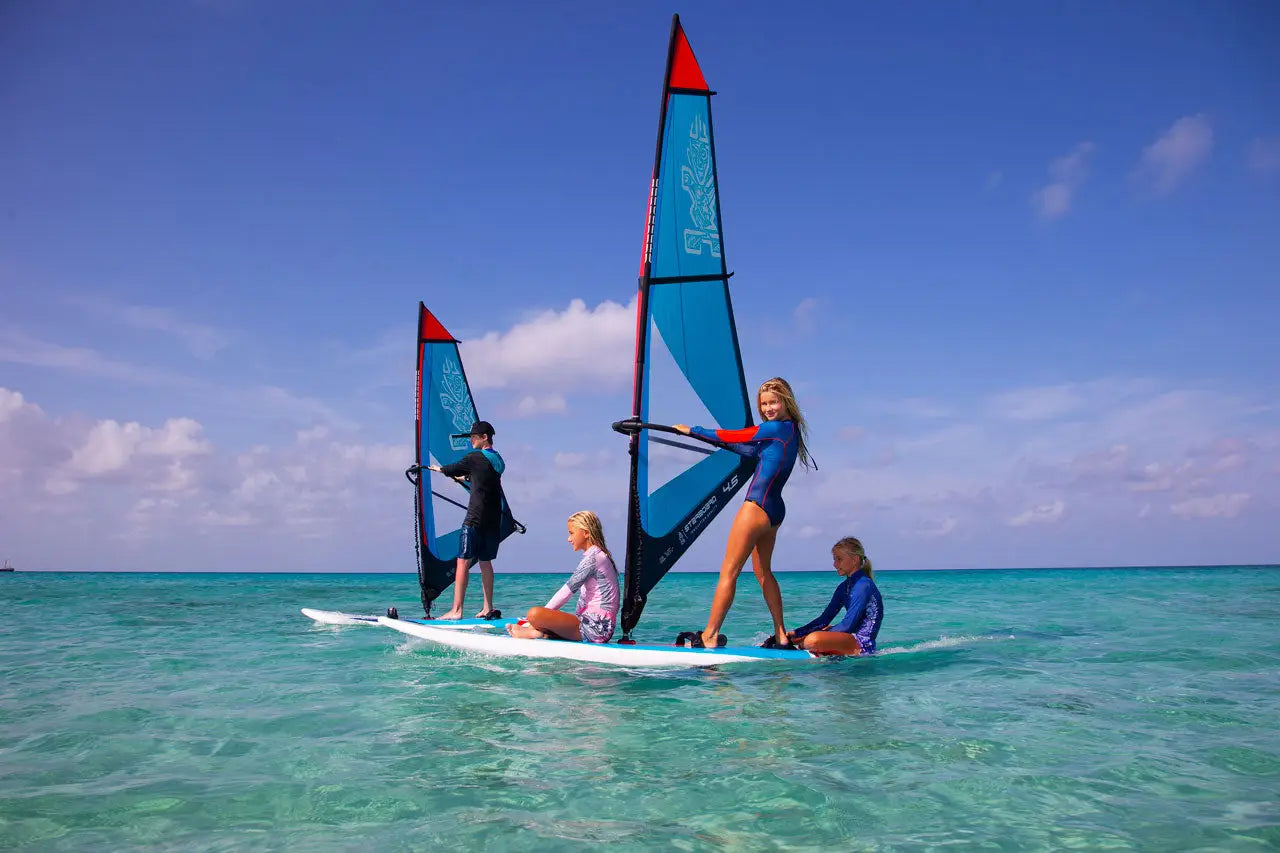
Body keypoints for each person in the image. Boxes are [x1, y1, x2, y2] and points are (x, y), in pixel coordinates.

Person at [672, 377, 813, 649]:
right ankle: (781, 635)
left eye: (773, 402)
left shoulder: (774, 428)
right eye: (764, 404)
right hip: (775, 511)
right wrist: (717, 443)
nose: (768, 408)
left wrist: (693, 430)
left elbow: (735, 436)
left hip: (756, 507)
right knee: (764, 573)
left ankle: (710, 635)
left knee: (729, 571)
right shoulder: (789, 431)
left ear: (786, 401)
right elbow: (747, 449)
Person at [428, 420, 507, 620]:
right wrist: (465, 478)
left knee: (463, 561)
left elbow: (453, 468)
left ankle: (457, 610)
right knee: (485, 562)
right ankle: (488, 607)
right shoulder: (498, 460)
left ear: (484, 437)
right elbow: (482, 477)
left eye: (473, 437)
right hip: (493, 519)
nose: (471, 440)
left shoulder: (475, 457)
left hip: (475, 518)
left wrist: (436, 469)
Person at [507, 511, 619, 643]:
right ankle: (540, 633)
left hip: (597, 627)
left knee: (534, 614)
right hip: (596, 625)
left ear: (586, 533)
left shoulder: (594, 559)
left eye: (571, 533)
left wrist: (535, 621)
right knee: (542, 617)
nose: (569, 539)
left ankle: (534, 629)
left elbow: (567, 591)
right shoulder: (598, 556)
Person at [785, 536, 883, 656]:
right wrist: (796, 633)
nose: (834, 564)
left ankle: (806, 644)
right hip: (847, 638)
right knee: (811, 634)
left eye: (839, 559)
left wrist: (814, 635)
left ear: (855, 560)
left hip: (862, 644)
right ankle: (803, 643)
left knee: (812, 639)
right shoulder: (843, 587)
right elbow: (824, 619)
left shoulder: (863, 585)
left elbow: (848, 625)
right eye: (834, 559)